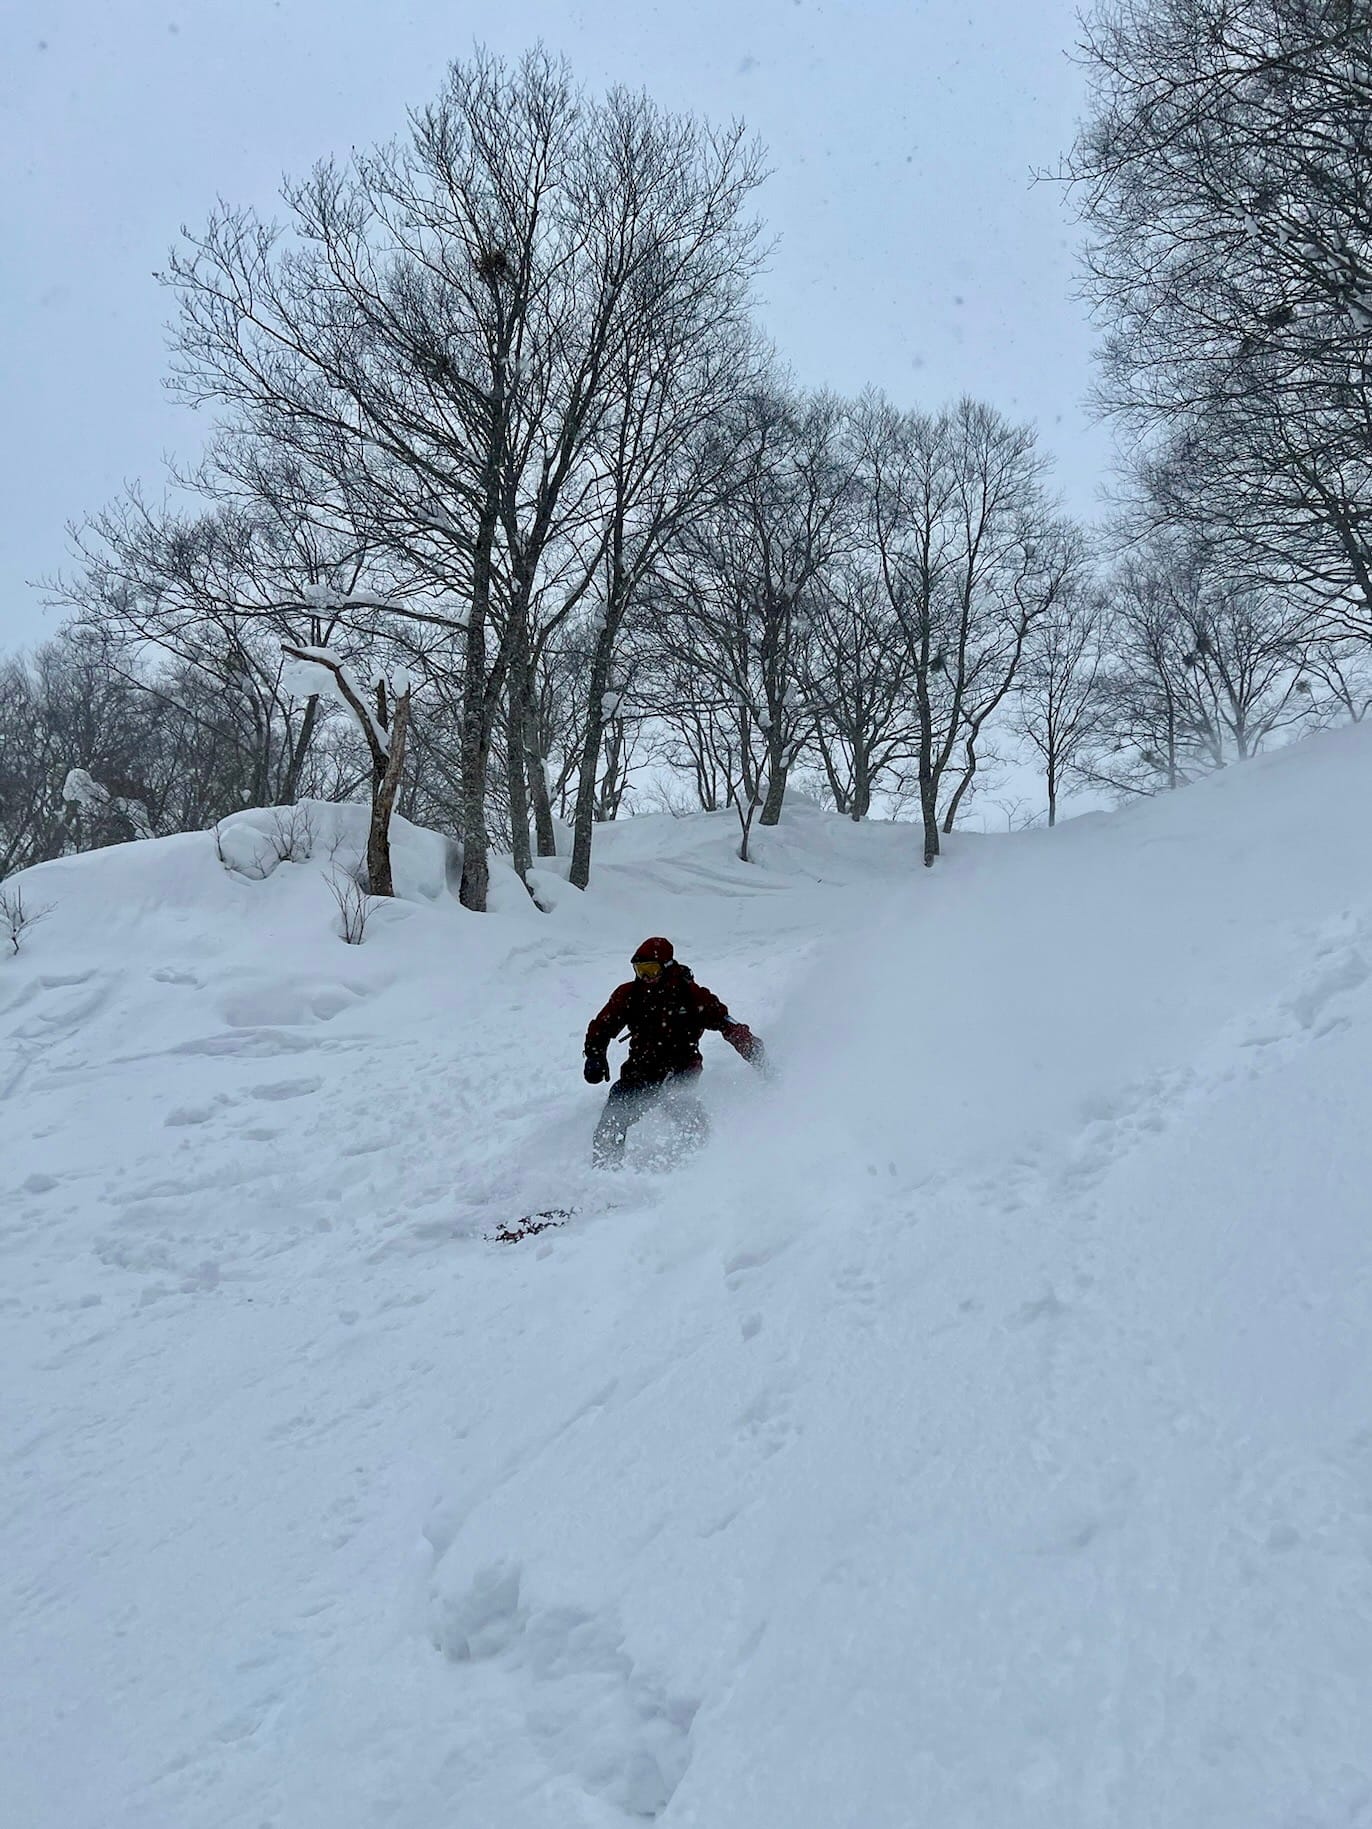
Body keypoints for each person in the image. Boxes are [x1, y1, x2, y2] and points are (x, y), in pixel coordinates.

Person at [583, 936, 765, 1168]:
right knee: (615, 1114)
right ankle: (604, 1172)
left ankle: (696, 1163)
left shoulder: (692, 996)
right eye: (640, 971)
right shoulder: (630, 995)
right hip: (642, 1068)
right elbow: (602, 1025)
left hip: (682, 1067)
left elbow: (729, 1026)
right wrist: (595, 1055)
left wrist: (759, 1059)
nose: (645, 978)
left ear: (668, 967)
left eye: (650, 970)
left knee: (679, 1101)